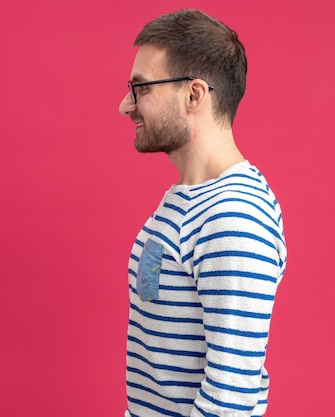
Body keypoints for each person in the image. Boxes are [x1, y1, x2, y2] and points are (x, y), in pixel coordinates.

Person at [118, 9, 287, 417]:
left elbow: (229, 400)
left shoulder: (235, 218)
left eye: (141, 88)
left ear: (194, 94)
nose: (126, 105)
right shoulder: (187, 196)